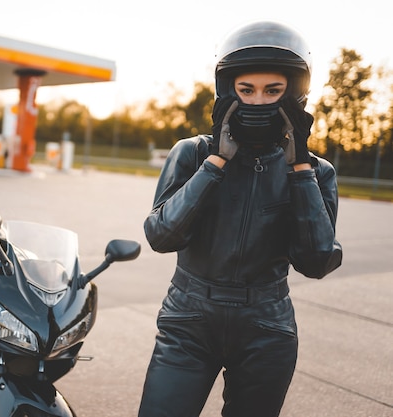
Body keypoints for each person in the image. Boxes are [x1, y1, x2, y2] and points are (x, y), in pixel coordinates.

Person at [138, 21, 343, 417]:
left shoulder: (318, 172)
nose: (258, 102)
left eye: (273, 91)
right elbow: (161, 236)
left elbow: (316, 261)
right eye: (246, 90)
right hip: (189, 318)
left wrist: (299, 168)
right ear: (229, 92)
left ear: (295, 95)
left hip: (267, 325)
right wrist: (216, 162)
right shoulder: (192, 153)